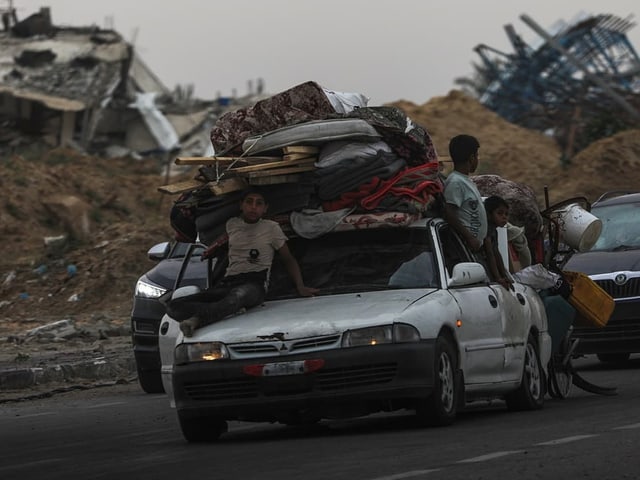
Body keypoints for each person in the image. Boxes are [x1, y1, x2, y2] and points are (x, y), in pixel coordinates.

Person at [166, 188, 319, 337]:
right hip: (228, 282)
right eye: (249, 202)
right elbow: (222, 242)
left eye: (259, 204)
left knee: (238, 296)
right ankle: (226, 309)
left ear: (265, 209)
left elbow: (288, 258)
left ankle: (197, 320)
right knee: (173, 306)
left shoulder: (272, 228)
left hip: (255, 284)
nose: (253, 207)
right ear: (241, 205)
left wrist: (300, 286)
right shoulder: (232, 224)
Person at [443, 134, 487, 252]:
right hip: (464, 248)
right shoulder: (455, 182)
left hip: (473, 248)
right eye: (477, 155)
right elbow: (450, 212)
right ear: (472, 158)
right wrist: (470, 238)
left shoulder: (465, 180)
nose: (477, 159)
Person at [484, 195, 514, 290]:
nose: (504, 217)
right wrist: (498, 278)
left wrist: (505, 275)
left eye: (506, 214)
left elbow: (496, 253)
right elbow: (490, 253)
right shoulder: (486, 229)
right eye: (500, 213)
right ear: (489, 214)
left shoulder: (494, 231)